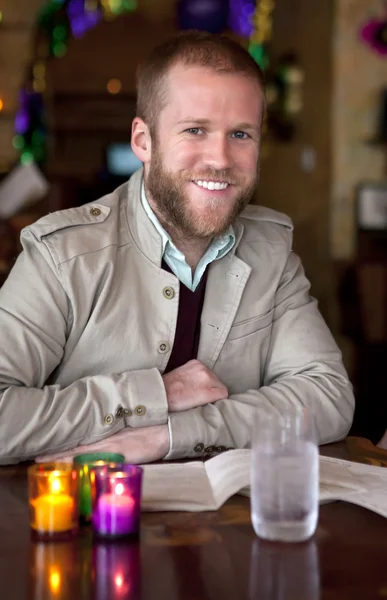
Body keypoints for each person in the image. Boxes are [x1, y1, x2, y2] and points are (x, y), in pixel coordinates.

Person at [0, 32, 354, 465]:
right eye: (195, 130)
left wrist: (169, 435)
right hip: (87, 522)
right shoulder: (61, 256)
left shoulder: (272, 251)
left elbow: (328, 396)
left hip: (231, 528)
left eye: (241, 134)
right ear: (143, 141)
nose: (220, 158)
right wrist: (154, 394)